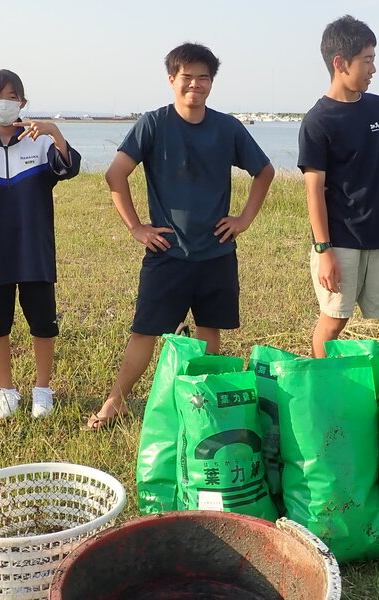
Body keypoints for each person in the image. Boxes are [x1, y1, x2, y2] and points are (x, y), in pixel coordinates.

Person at [87, 43, 275, 431]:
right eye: (186, 76)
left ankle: (200, 404)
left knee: (210, 330)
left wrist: (244, 219)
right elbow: (115, 175)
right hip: (167, 252)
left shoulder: (227, 127)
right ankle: (115, 401)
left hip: (216, 252)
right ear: (172, 80)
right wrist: (136, 227)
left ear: (211, 83)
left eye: (203, 77)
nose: (195, 84)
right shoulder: (153, 124)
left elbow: (265, 171)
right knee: (145, 331)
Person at [0, 69, 81, 420]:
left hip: (34, 250)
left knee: (42, 322)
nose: (4, 103)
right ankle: (6, 392)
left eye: (12, 97)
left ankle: (42, 390)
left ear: (23, 103)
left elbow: (68, 168)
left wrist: (54, 132)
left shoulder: (40, 144)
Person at [297, 15, 379, 360]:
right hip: (340, 240)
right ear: (340, 63)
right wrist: (323, 249)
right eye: (367, 60)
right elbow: (314, 190)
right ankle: (324, 388)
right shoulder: (318, 121)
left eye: (373, 59)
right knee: (333, 323)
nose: (373, 68)